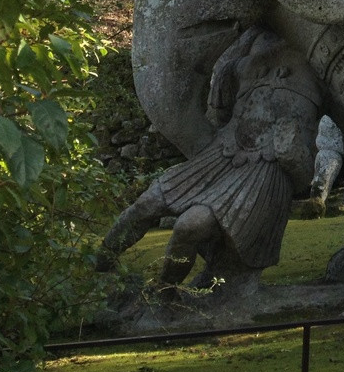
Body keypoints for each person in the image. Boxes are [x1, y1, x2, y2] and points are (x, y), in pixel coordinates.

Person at [96, 28, 321, 295]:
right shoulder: (250, 39)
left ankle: (164, 294)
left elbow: (305, 173)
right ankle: (95, 271)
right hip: (222, 152)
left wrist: (293, 154)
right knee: (147, 203)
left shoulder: (320, 54)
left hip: (261, 172)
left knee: (189, 226)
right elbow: (219, 107)